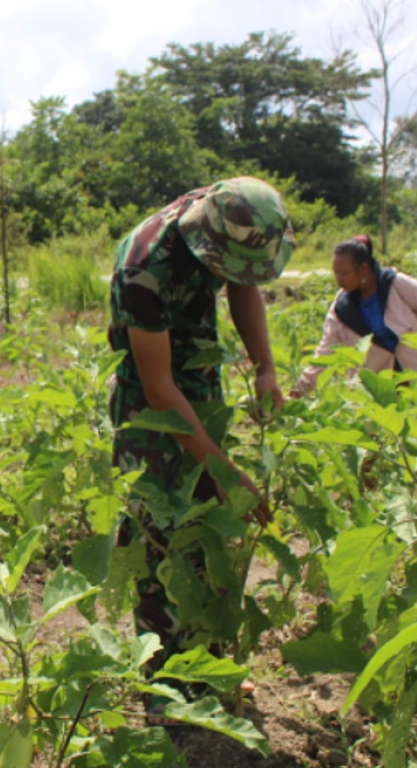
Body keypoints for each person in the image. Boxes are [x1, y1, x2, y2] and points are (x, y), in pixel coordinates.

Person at [108, 176, 294, 663]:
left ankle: (207, 657)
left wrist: (265, 368)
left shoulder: (231, 217)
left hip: (198, 372)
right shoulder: (143, 268)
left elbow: (243, 281)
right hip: (148, 401)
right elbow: (159, 387)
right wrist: (225, 469)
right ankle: (163, 673)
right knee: (157, 526)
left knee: (210, 520)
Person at [292, 235, 417, 403]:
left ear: (363, 268)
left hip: (416, 377)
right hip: (374, 390)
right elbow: (325, 353)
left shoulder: (396, 285)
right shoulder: (342, 309)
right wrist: (299, 390)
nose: (339, 279)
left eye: (345, 273)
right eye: (336, 272)